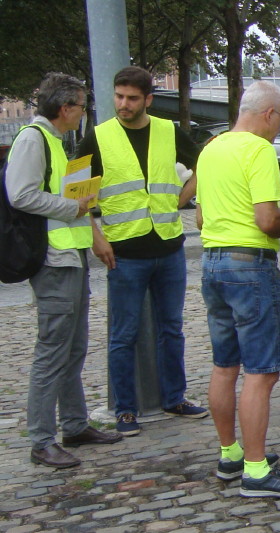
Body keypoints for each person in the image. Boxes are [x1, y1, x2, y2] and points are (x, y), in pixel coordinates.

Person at [76, 66, 208, 437]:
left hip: (168, 246)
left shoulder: (167, 130)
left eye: (132, 98)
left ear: (148, 99)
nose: (123, 104)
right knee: (124, 334)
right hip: (124, 252)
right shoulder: (97, 138)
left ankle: (174, 397)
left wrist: (186, 197)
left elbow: (204, 163)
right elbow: (74, 197)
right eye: (119, 96)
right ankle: (126, 409)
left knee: (172, 328)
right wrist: (96, 237)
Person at [196, 81, 280, 497]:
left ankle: (230, 453)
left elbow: (200, 220)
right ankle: (257, 470)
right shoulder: (258, 150)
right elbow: (267, 220)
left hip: (213, 263)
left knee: (224, 366)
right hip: (250, 267)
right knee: (261, 372)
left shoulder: (211, 149)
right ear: (268, 114)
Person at [6, 73, 122, 468]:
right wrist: (71, 207)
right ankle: (41, 440)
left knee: (72, 348)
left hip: (70, 256)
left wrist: (85, 219)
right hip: (54, 260)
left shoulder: (56, 141)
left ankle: (74, 425)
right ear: (65, 108)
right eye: (82, 106)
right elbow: (20, 193)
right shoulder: (33, 139)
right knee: (52, 350)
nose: (84, 113)